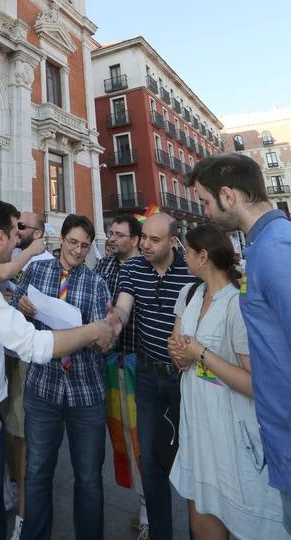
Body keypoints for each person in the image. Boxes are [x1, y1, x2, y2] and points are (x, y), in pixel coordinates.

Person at [0, 199, 119, 540]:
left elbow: (1, 275)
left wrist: (105, 335)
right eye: (16, 231)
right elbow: (32, 344)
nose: (20, 238)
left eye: (85, 245)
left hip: (73, 393)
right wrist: (93, 330)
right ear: (1, 236)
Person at [188, 154, 291, 536]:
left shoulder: (275, 249)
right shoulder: (264, 246)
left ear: (227, 195)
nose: (205, 211)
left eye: (205, 201)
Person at [167, 223, 286, 539]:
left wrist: (200, 352)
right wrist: (179, 354)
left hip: (232, 435)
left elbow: (255, 384)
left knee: (247, 521)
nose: (183, 256)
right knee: (201, 523)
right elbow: (181, 354)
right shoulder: (190, 293)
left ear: (203, 256)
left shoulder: (238, 304)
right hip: (196, 428)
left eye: (187, 252)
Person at [11, 214, 109, 540]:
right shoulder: (37, 270)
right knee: (37, 471)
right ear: (61, 240)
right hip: (43, 389)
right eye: (73, 243)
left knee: (89, 478)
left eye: (84, 245)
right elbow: (14, 306)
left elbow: (101, 340)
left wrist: (97, 337)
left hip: (85, 393)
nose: (78, 251)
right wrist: (22, 307)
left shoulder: (97, 283)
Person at [114, 212, 196, 540]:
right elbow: (123, 306)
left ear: (173, 241)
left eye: (154, 239)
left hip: (185, 380)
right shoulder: (132, 267)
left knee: (192, 461)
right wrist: (114, 323)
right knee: (149, 462)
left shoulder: (192, 271)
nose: (145, 244)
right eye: (143, 237)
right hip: (147, 375)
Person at [94, 215, 147, 540]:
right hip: (107, 363)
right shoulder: (104, 267)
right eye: (110, 233)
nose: (111, 238)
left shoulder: (142, 268)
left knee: (137, 437)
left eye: (118, 234)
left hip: (135, 363)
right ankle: (142, 503)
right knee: (119, 435)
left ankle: (148, 509)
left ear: (136, 239)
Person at [2, 211, 53, 540]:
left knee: (22, 431)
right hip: (5, 353)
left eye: (21, 226)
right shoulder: (13, 257)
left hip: (28, 356)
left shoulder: (45, 262)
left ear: (37, 232)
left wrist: (20, 303)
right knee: (7, 424)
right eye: (15, 225)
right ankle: (12, 483)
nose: (15, 230)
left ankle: (24, 504)